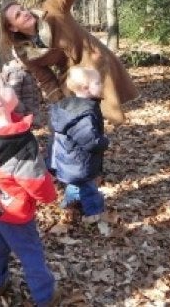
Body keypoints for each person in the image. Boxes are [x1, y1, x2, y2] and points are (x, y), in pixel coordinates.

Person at [0, 0, 138, 126]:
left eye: (23, 9)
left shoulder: (52, 9)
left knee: (102, 116)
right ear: (13, 28)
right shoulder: (24, 53)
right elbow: (46, 79)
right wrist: (59, 102)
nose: (25, 13)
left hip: (94, 61)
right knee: (71, 119)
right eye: (18, 15)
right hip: (71, 76)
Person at [0, 71, 60, 306]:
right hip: (15, 214)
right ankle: (46, 296)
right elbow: (36, 181)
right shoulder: (21, 144)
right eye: (5, 84)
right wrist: (50, 196)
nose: (11, 86)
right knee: (30, 253)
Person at [50, 66, 109, 223]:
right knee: (90, 190)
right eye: (97, 82)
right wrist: (103, 142)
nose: (101, 85)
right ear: (85, 88)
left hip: (69, 159)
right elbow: (89, 140)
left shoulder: (71, 106)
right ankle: (94, 215)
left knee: (76, 183)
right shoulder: (83, 113)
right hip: (79, 161)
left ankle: (68, 203)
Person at [1, 52, 43, 128]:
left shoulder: (28, 69)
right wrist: (21, 117)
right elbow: (14, 98)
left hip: (31, 116)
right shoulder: (16, 73)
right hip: (23, 119)